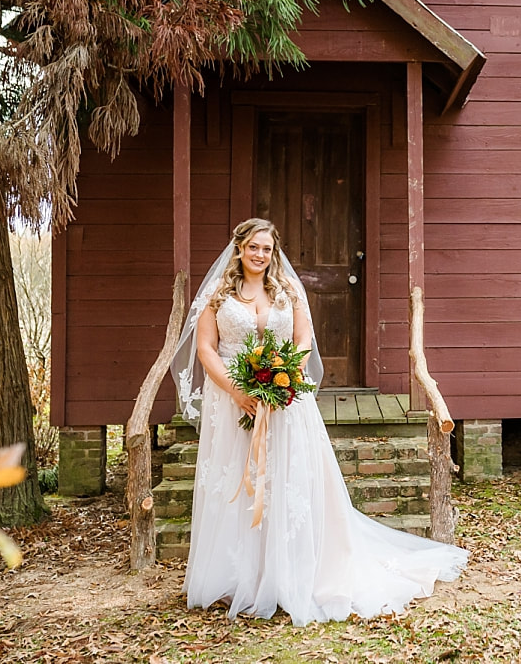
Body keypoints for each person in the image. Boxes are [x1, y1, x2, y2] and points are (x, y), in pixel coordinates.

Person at [170, 218, 467, 626]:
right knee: (239, 485)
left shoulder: (288, 290)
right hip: (233, 401)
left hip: (287, 399)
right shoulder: (217, 295)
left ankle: (294, 572)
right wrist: (239, 393)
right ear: (239, 248)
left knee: (289, 481)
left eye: (267, 249)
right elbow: (206, 348)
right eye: (253, 247)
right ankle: (238, 576)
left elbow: (303, 341)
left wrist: (285, 378)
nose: (260, 255)